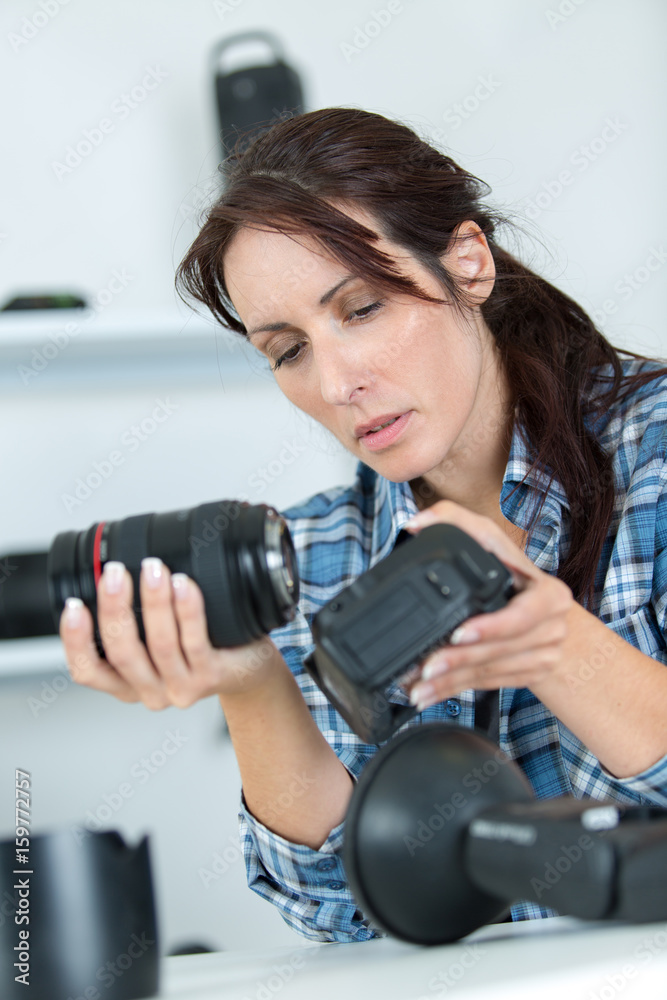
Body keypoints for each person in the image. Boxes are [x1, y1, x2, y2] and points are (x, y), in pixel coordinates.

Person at [60, 107, 667, 943]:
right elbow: (341, 913)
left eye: (361, 308)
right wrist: (250, 681)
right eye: (288, 351)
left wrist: (556, 642)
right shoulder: (313, 554)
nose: (337, 381)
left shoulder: (653, 457)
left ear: (467, 264)